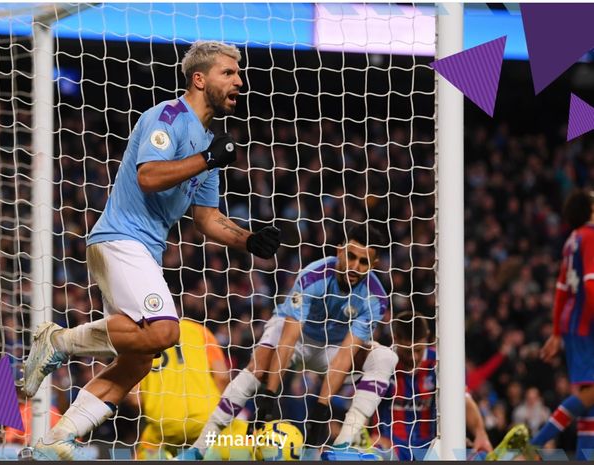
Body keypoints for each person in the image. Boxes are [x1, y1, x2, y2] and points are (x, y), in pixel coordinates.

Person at [21, 40, 281, 460]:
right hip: (121, 239)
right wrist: (207, 160)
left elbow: (206, 217)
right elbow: (149, 175)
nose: (239, 81)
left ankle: (54, 439)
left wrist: (247, 239)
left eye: (239, 73)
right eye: (228, 73)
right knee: (164, 332)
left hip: (141, 249)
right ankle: (60, 342)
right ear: (200, 79)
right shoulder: (168, 117)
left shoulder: (208, 141)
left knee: (138, 360)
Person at [179, 224, 398, 459]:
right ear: (339, 251)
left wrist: (321, 410)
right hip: (297, 338)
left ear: (373, 266)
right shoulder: (313, 276)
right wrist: (269, 396)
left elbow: (346, 353)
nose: (354, 267)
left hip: (333, 350)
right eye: (351, 256)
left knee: (385, 357)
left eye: (363, 262)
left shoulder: (375, 298)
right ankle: (197, 450)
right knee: (259, 365)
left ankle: (342, 448)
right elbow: (288, 339)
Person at [375, 312, 529, 461]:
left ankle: (494, 457)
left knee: (473, 454)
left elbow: (464, 399)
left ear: (428, 338)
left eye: (418, 350)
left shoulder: (439, 362)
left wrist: (480, 432)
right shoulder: (383, 363)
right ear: (395, 339)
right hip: (392, 445)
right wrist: (372, 434)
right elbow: (364, 400)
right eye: (407, 351)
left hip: (431, 444)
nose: (414, 357)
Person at [526, 189, 594, 460]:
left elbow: (561, 289)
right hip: (587, 323)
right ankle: (534, 444)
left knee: (589, 402)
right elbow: (590, 282)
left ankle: (584, 458)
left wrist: (556, 332)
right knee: (590, 395)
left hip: (575, 323)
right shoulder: (590, 236)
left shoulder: (572, 240)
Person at [125, 319, 234, 459]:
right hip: (209, 417)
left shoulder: (136, 340)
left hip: (164, 424)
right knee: (245, 440)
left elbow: (135, 400)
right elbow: (222, 376)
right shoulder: (199, 330)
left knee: (144, 451)